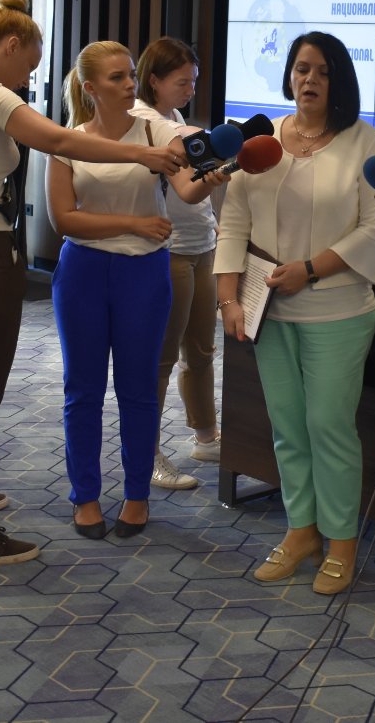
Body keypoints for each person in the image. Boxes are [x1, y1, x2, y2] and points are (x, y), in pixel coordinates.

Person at [0, 0, 186, 566]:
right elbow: (60, 142)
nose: (28, 79)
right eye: (29, 65)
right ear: (11, 45)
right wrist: (139, 159)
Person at [214, 31, 375, 594]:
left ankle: (341, 541)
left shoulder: (364, 140)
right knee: (288, 427)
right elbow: (234, 222)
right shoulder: (260, 140)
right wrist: (227, 298)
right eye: (300, 68)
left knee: (328, 426)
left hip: (338, 308)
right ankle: (301, 532)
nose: (309, 79)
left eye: (321, 71)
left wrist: (311, 270)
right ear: (288, 75)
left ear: (338, 80)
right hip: (269, 309)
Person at [49, 41, 228, 538]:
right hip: (83, 272)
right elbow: (64, 219)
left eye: (131, 74)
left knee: (138, 389)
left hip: (143, 274)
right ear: (90, 88)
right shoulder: (67, 141)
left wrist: (214, 176)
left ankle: (136, 496)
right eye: (117, 78)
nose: (130, 84)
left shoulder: (156, 131)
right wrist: (133, 223)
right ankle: (85, 496)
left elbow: (187, 189)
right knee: (82, 390)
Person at [129, 38, 219, 491]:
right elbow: (187, 186)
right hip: (170, 253)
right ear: (155, 81)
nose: (190, 90)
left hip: (202, 246)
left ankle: (206, 436)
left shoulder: (176, 119)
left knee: (201, 351)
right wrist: (220, 159)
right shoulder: (147, 123)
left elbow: (193, 187)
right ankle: (147, 455)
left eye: (194, 81)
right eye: (182, 82)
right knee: (161, 358)